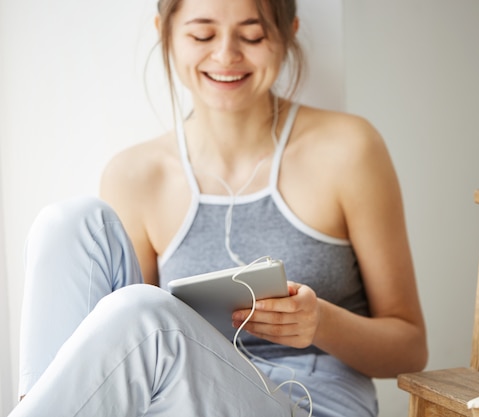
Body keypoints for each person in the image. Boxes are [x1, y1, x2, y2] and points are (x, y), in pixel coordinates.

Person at [10, 0, 428, 416]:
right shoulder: (135, 175)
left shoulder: (349, 149)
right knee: (68, 224)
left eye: (252, 34)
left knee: (147, 314)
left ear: (288, 32)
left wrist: (319, 323)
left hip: (315, 407)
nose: (226, 55)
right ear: (165, 32)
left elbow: (409, 350)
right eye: (202, 34)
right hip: (181, 404)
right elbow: (117, 352)